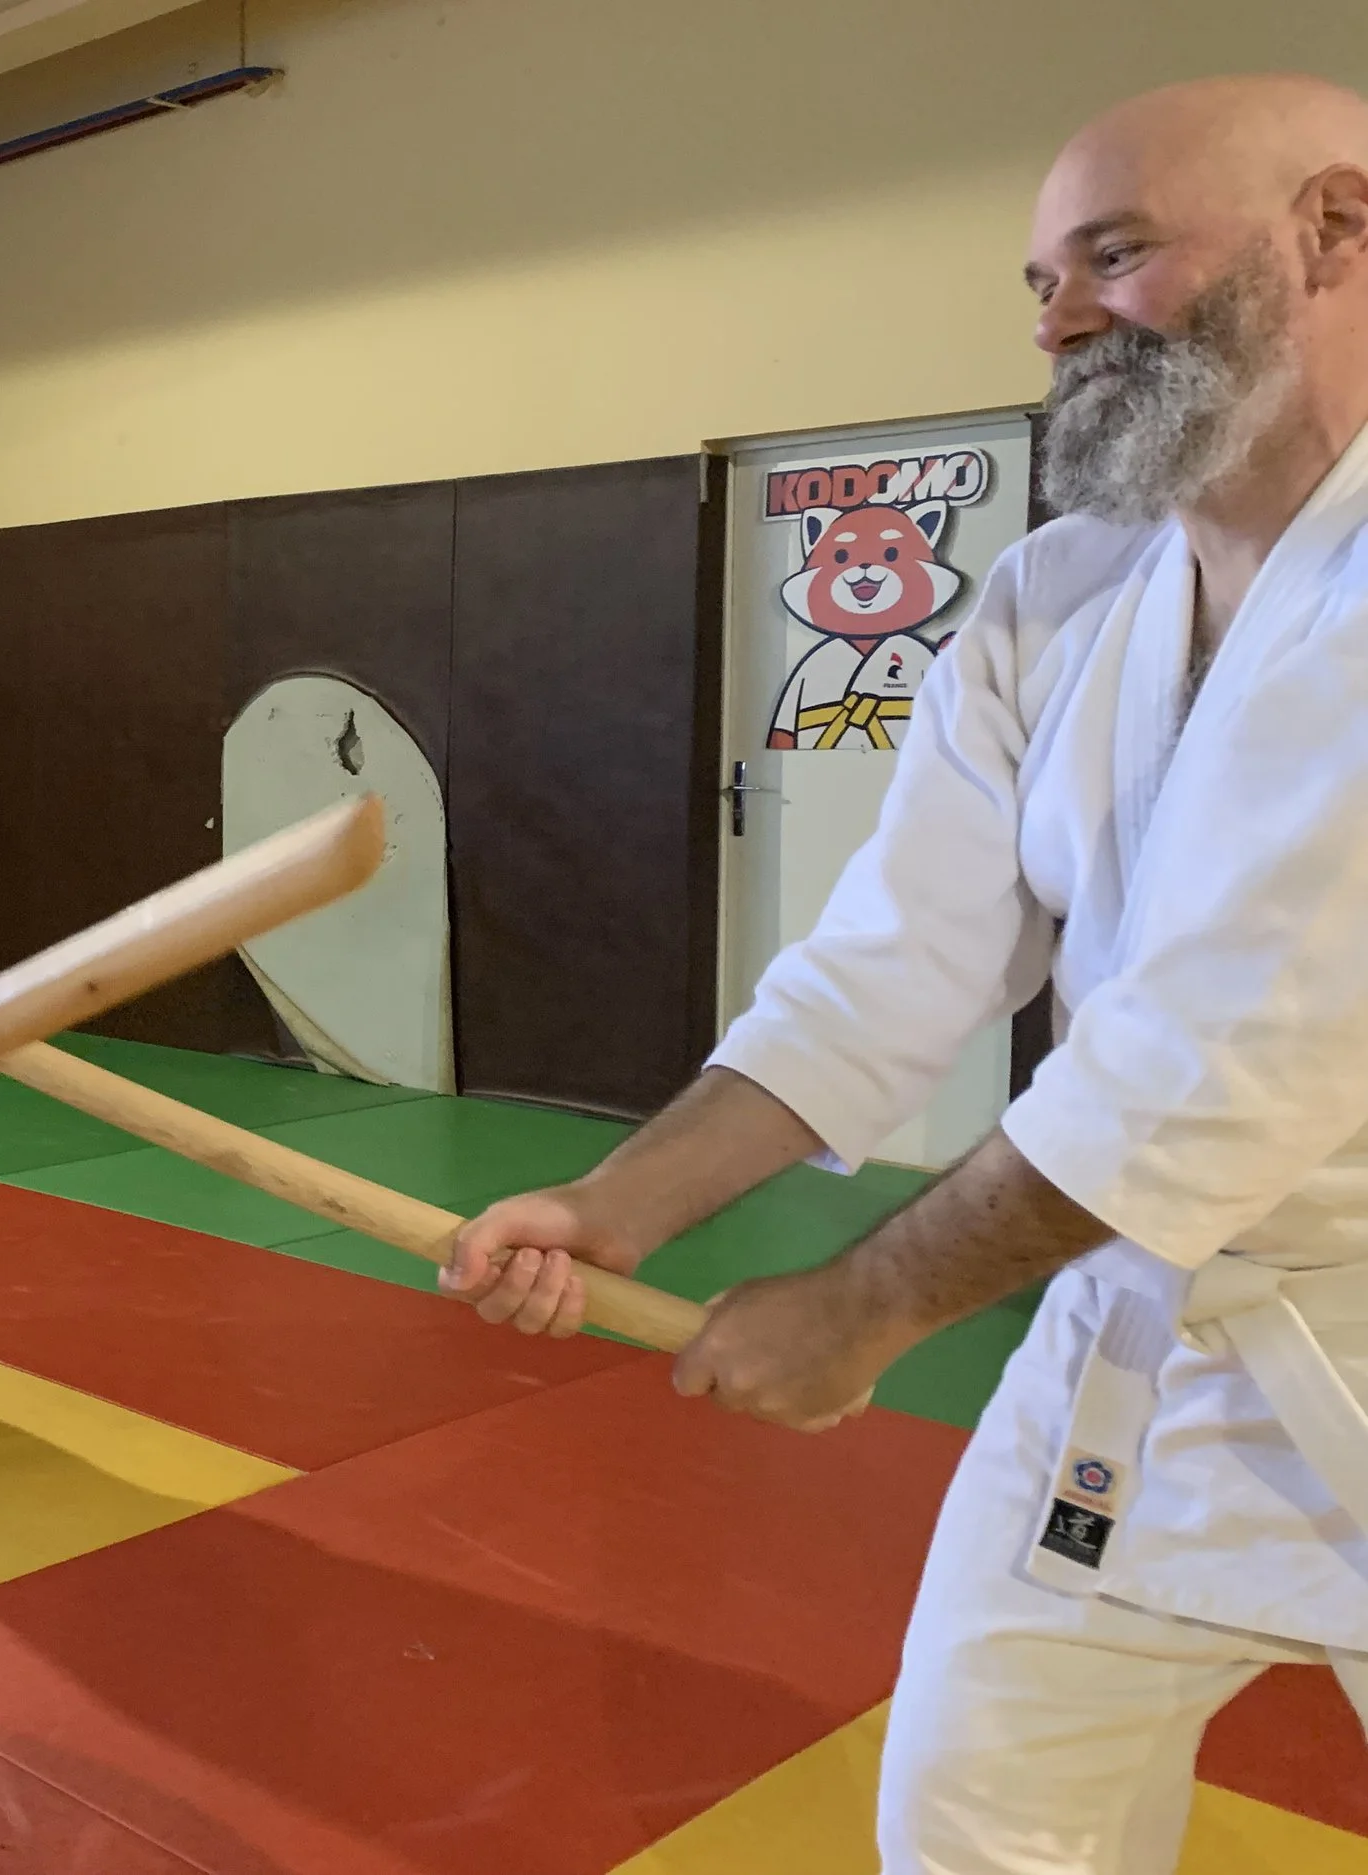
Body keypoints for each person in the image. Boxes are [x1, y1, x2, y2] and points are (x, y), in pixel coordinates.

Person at [445, 74, 1368, 1875]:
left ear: (1336, 230)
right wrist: (621, 1203)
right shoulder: (1053, 598)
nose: (1056, 319)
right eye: (1037, 279)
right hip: (1138, 1343)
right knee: (981, 1817)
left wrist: (862, 1309)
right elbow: (887, 965)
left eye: (1118, 254)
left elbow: (1223, 1050)